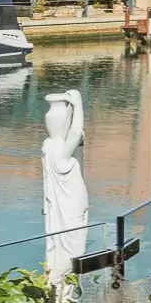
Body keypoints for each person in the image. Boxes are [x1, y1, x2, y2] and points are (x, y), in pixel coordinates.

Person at [42, 90, 88, 290]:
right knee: (74, 251)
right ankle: (59, 287)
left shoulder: (48, 146)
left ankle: (60, 290)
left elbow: (77, 136)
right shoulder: (60, 151)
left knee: (65, 251)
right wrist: (78, 105)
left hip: (66, 209)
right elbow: (76, 133)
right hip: (70, 211)